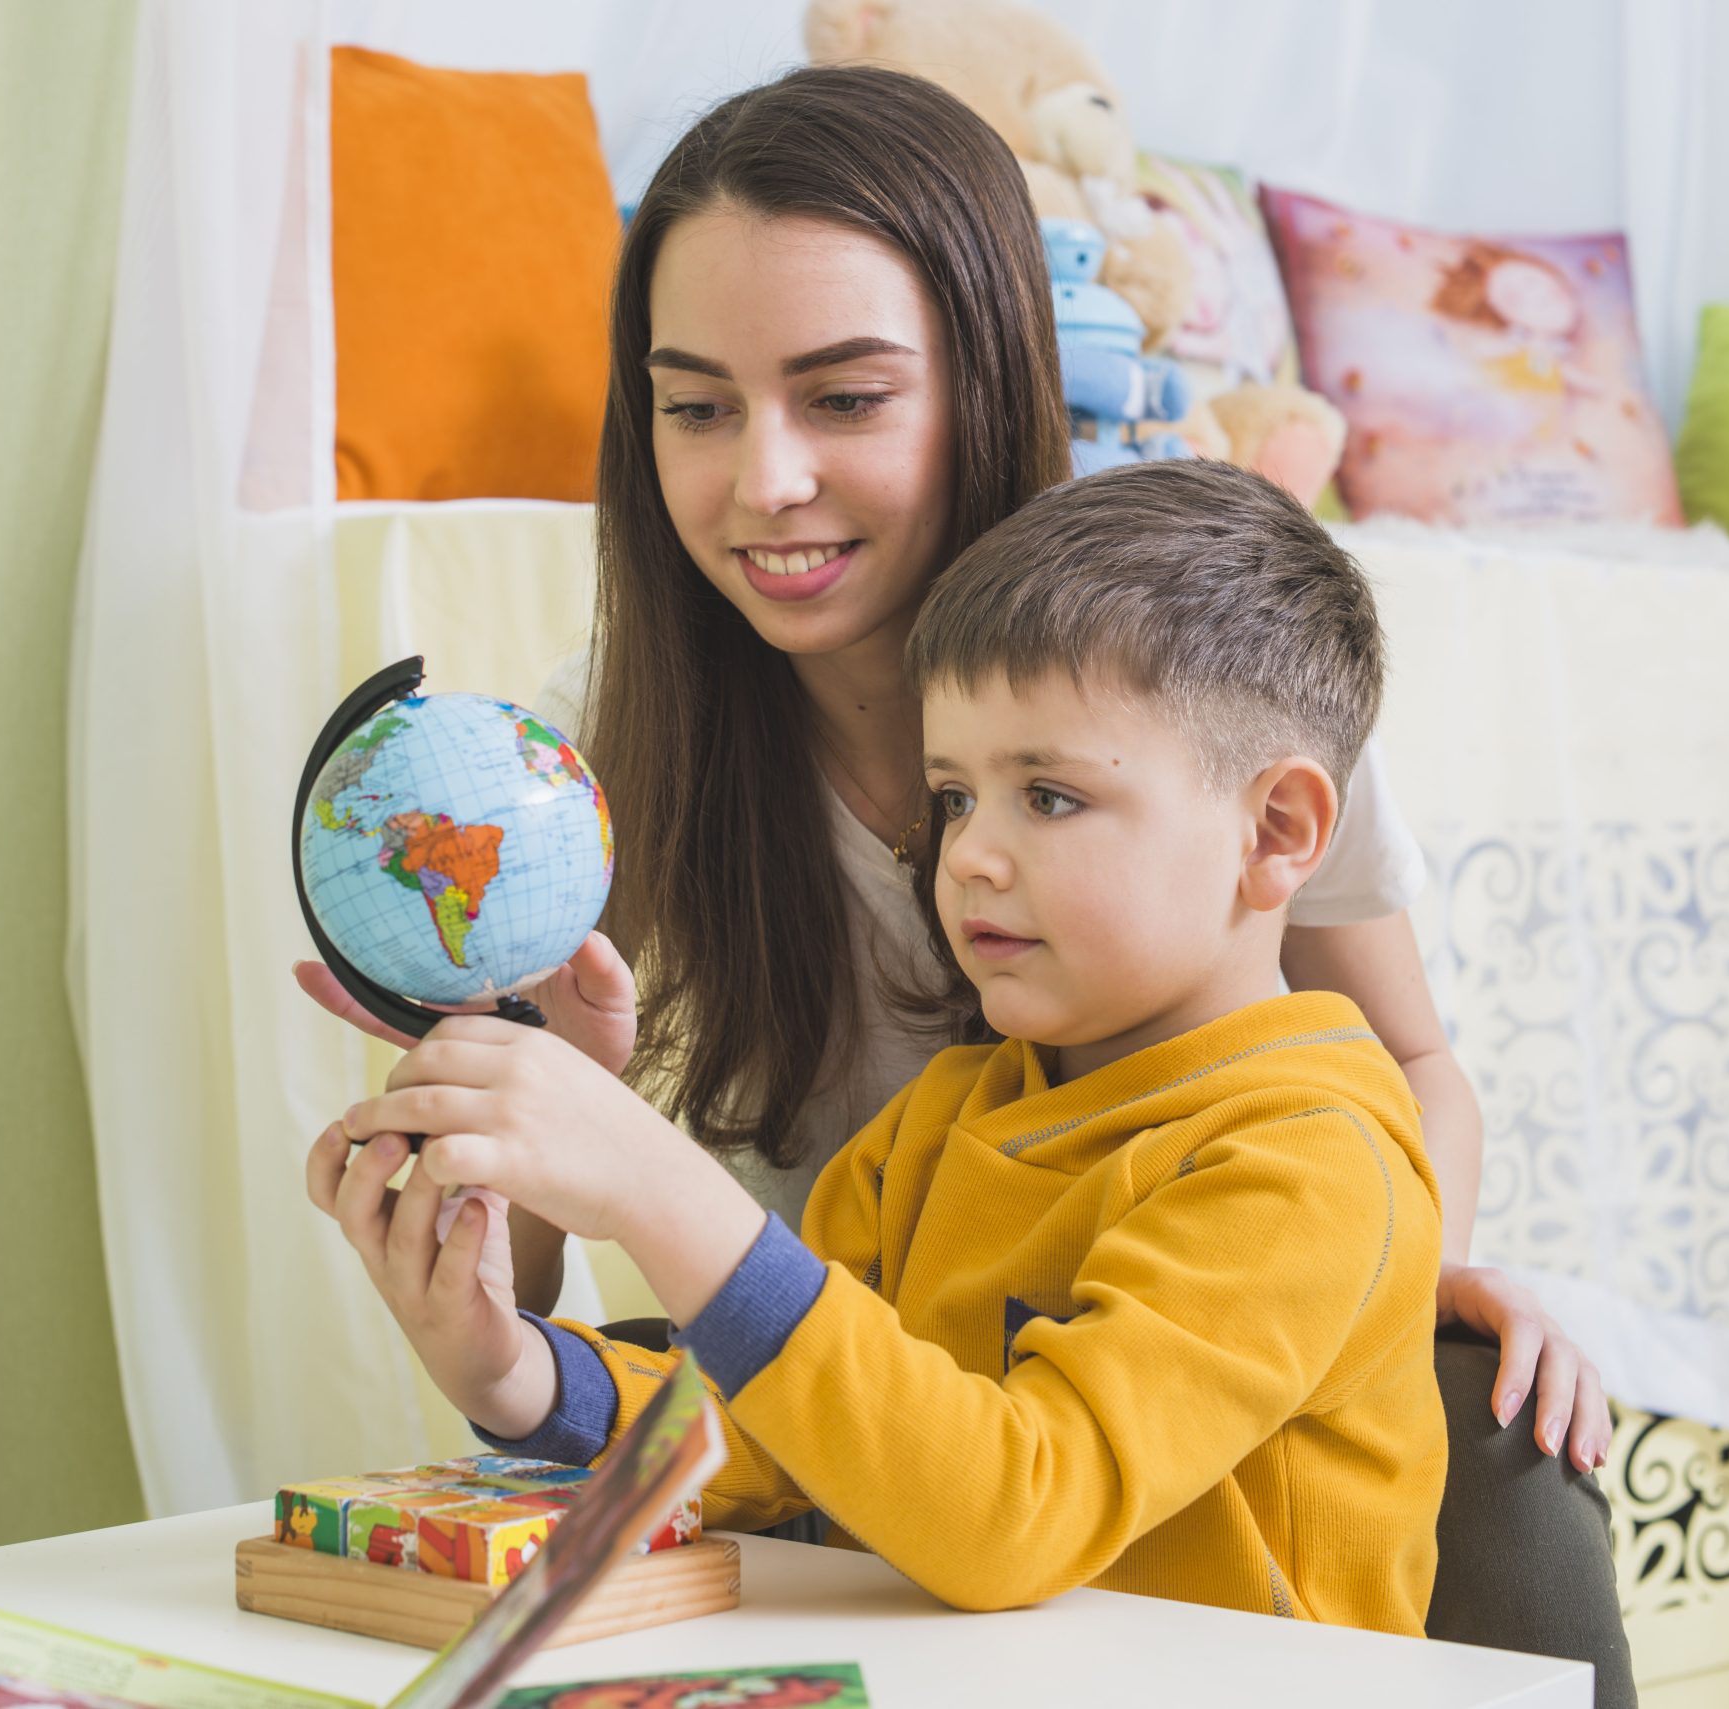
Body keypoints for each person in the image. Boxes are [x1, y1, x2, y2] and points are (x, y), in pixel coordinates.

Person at [293, 62, 1630, 1692]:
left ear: (982, 376)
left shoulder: (1199, 677)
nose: (762, 479)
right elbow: (797, 1427)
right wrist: (516, 1351)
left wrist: (1378, 1267)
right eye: (696, 404)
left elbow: (1368, 1093)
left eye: (843, 397)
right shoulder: (582, 789)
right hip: (882, 1569)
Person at [312, 459, 1448, 1627]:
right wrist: (515, 1370)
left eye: (1046, 795)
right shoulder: (945, 1117)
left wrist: (662, 1189)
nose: (969, 856)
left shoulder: (1309, 1163)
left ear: (1277, 829)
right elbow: (789, 1434)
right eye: (953, 795)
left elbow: (1016, 1511)